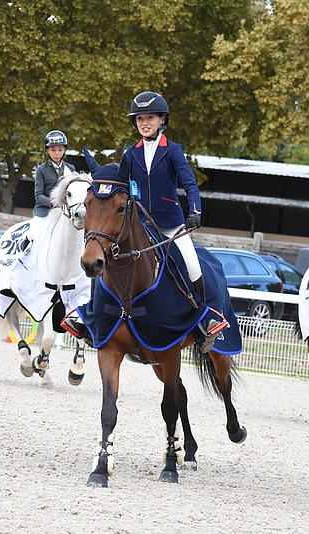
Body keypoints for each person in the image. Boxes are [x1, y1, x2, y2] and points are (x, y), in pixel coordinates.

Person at [118, 91, 228, 352]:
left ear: (161, 120)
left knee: (193, 267)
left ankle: (204, 321)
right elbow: (120, 186)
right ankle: (99, 316)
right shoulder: (129, 154)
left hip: (171, 227)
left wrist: (195, 212)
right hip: (141, 226)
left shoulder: (173, 151)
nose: (145, 122)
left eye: (150, 118)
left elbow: (189, 183)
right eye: (140, 118)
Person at [33, 130, 76, 218]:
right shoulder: (41, 169)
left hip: (65, 211)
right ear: (47, 150)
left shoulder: (71, 169)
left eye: (60, 149)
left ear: (64, 150)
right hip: (44, 211)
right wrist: (53, 202)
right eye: (53, 150)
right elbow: (38, 195)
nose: (57, 153)